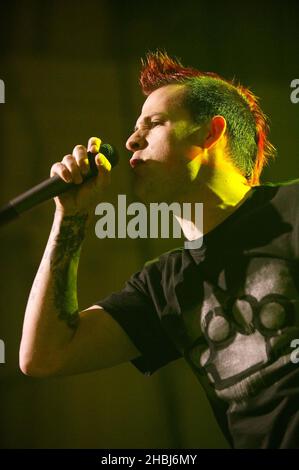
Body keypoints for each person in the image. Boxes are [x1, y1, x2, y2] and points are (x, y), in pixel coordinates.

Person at [19, 51, 299, 449]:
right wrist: (70, 216)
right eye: (136, 128)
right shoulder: (165, 285)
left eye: (154, 124)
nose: (132, 140)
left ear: (210, 134)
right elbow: (44, 356)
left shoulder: (293, 208)